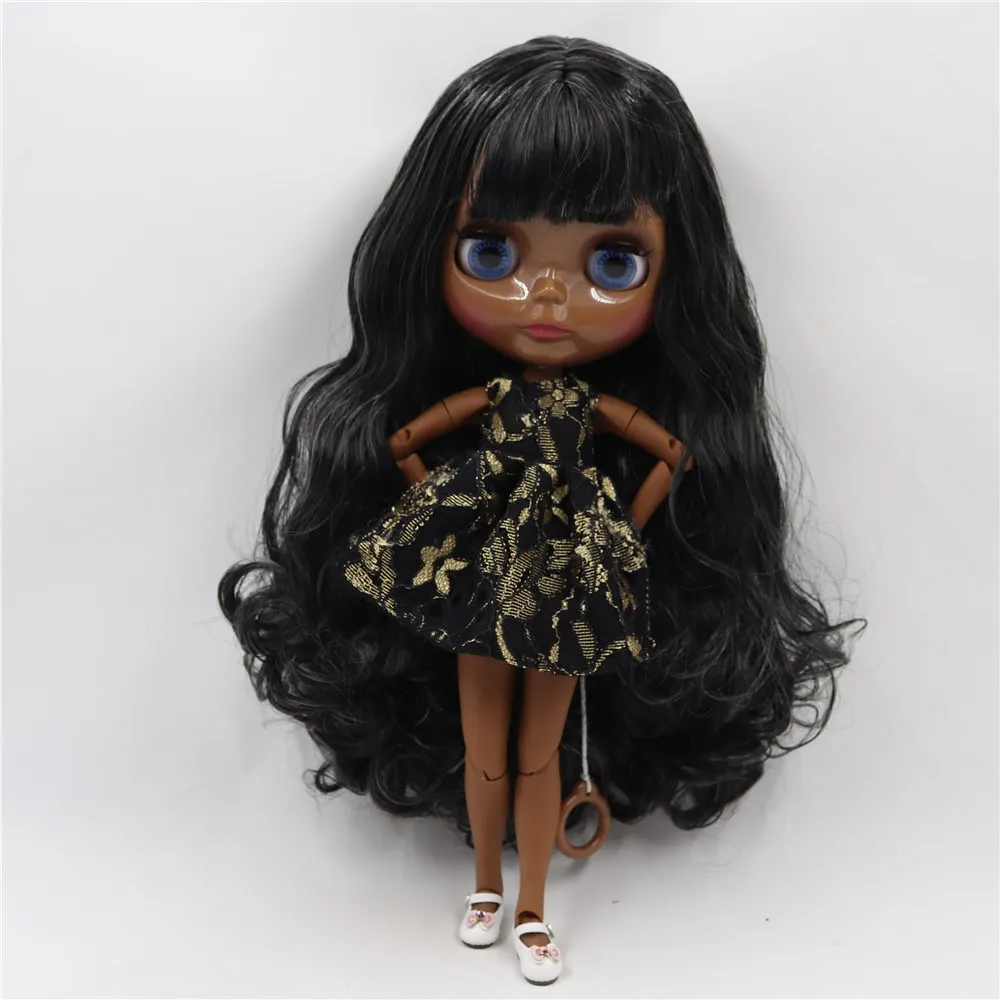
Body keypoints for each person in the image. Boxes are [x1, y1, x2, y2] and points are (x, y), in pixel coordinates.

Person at [219, 36, 862, 986]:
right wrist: (443, 514)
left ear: (676, 272)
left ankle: (530, 908)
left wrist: (621, 530)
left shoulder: (590, 406)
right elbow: (405, 441)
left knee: (537, 755)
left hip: (562, 584)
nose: (548, 297)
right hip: (485, 578)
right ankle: (488, 890)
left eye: (613, 261)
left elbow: (672, 452)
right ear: (430, 250)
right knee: (489, 748)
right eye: (493, 253)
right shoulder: (493, 399)